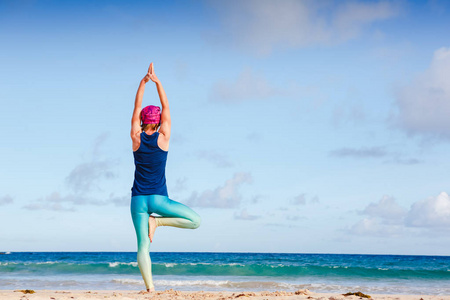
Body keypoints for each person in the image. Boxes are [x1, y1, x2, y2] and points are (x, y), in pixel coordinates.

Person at [130, 62, 201, 292]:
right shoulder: (164, 136)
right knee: (195, 221)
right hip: (159, 199)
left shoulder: (135, 137)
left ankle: (150, 288)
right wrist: (158, 81)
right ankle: (158, 221)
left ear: (142, 120)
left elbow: (136, 105)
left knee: (143, 246)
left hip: (138, 200)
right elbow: (166, 105)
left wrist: (143, 82)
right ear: (159, 121)